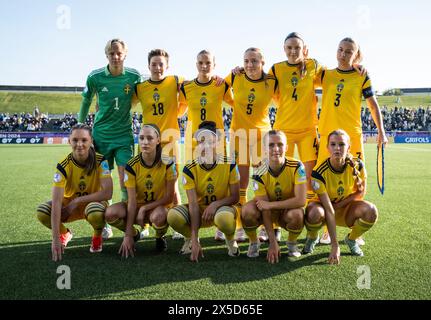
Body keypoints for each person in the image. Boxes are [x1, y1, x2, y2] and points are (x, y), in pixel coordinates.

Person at [316, 37, 388, 244]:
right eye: (340, 49)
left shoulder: (361, 76)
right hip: (327, 136)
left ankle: (355, 228)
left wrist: (381, 130)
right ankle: (327, 230)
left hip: (352, 137)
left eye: (348, 51)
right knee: (326, 182)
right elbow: (301, 72)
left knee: (357, 181)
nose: (343, 54)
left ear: (356, 55)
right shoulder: (325, 74)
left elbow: (373, 105)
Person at [78, 39, 141, 240]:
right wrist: (80, 126)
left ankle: (130, 222)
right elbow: (86, 101)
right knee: (102, 184)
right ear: (106, 55)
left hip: (123, 137)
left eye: (118, 53)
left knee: (126, 181)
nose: (115, 57)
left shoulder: (134, 76)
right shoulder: (95, 77)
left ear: (125, 55)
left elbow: (142, 98)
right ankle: (104, 224)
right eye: (111, 53)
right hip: (101, 137)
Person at [179, 50, 234, 242]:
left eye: (208, 63)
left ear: (214, 64)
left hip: (217, 139)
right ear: (196, 64)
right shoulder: (186, 87)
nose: (204, 66)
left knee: (222, 180)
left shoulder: (221, 85)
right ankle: (191, 231)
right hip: (193, 140)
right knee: (193, 181)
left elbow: (238, 102)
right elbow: (177, 109)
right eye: (201, 63)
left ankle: (222, 224)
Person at [36, 124, 113, 261]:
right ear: (69, 141)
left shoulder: (101, 160)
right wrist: (55, 238)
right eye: (75, 140)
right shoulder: (63, 165)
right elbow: (57, 200)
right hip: (69, 208)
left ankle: (97, 236)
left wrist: (77, 201)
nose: (79, 144)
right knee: (42, 211)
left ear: (91, 141)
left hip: (92, 206)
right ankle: (64, 234)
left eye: (84, 140)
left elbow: (108, 193)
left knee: (95, 211)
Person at [225, 47, 278, 242]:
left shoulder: (271, 81)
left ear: (263, 63)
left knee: (265, 182)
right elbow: (219, 89)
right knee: (241, 183)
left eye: (254, 61)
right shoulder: (235, 76)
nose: (249, 65)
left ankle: (269, 225)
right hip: (238, 135)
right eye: (246, 60)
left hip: (261, 137)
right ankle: (239, 225)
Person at [167, 121, 240, 262]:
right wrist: (195, 239)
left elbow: (235, 197)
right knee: (173, 216)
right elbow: (193, 204)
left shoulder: (229, 163)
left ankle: (230, 240)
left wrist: (215, 205)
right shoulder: (189, 168)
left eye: (210, 142)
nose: (205, 145)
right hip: (200, 212)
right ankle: (190, 238)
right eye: (201, 141)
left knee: (224, 219)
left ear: (217, 143)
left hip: (221, 211)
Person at [135, 49, 186, 240]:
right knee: (145, 184)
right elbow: (124, 103)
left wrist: (178, 113)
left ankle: (177, 224)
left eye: (161, 64)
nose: (157, 68)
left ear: (167, 66)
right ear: (148, 66)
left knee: (172, 187)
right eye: (154, 64)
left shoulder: (175, 81)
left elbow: (190, 96)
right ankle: (146, 223)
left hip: (170, 139)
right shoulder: (140, 87)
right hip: (148, 141)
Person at [304, 129, 378, 262]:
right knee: (313, 212)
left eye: (342, 144)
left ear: (349, 147)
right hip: (324, 212)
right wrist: (334, 245)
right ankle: (313, 237)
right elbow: (328, 209)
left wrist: (339, 205)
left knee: (371, 211)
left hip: (345, 211)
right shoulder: (318, 172)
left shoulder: (358, 165)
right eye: (333, 144)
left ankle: (351, 240)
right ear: (327, 148)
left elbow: (360, 193)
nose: (337, 148)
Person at [105, 124, 177, 257]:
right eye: (142, 138)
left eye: (150, 138)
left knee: (159, 216)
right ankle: (134, 234)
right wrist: (127, 235)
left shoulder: (168, 163)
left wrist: (145, 208)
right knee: (110, 213)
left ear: (158, 140)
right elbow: (131, 201)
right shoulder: (132, 165)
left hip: (158, 207)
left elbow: (169, 197)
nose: (145, 142)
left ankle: (160, 236)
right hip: (136, 207)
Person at [241, 130, 306, 262]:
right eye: (271, 145)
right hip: (266, 213)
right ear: (264, 149)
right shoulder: (259, 171)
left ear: (286, 147)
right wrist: (272, 242)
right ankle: (254, 242)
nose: (276, 149)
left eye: (280, 144)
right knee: (247, 211)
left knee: (298, 214)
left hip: (286, 212)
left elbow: (301, 200)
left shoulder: (297, 166)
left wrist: (271, 205)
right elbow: (264, 208)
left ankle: (291, 243)